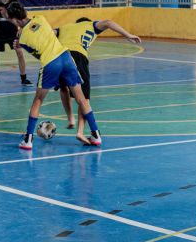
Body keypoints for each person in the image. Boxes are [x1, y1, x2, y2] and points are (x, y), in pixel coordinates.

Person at [7, 1, 101, 150]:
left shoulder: (23, 39)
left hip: (51, 62)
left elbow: (39, 54)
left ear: (14, 20)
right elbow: (44, 34)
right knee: (81, 98)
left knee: (38, 100)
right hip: (66, 57)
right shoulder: (40, 18)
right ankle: (96, 134)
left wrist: (19, 43)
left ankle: (28, 140)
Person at [55, 15, 141, 145]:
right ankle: (81, 131)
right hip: (77, 56)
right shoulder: (90, 25)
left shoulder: (64, 27)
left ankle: (70, 118)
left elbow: (48, 33)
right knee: (84, 99)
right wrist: (127, 35)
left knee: (63, 88)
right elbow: (108, 22)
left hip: (59, 57)